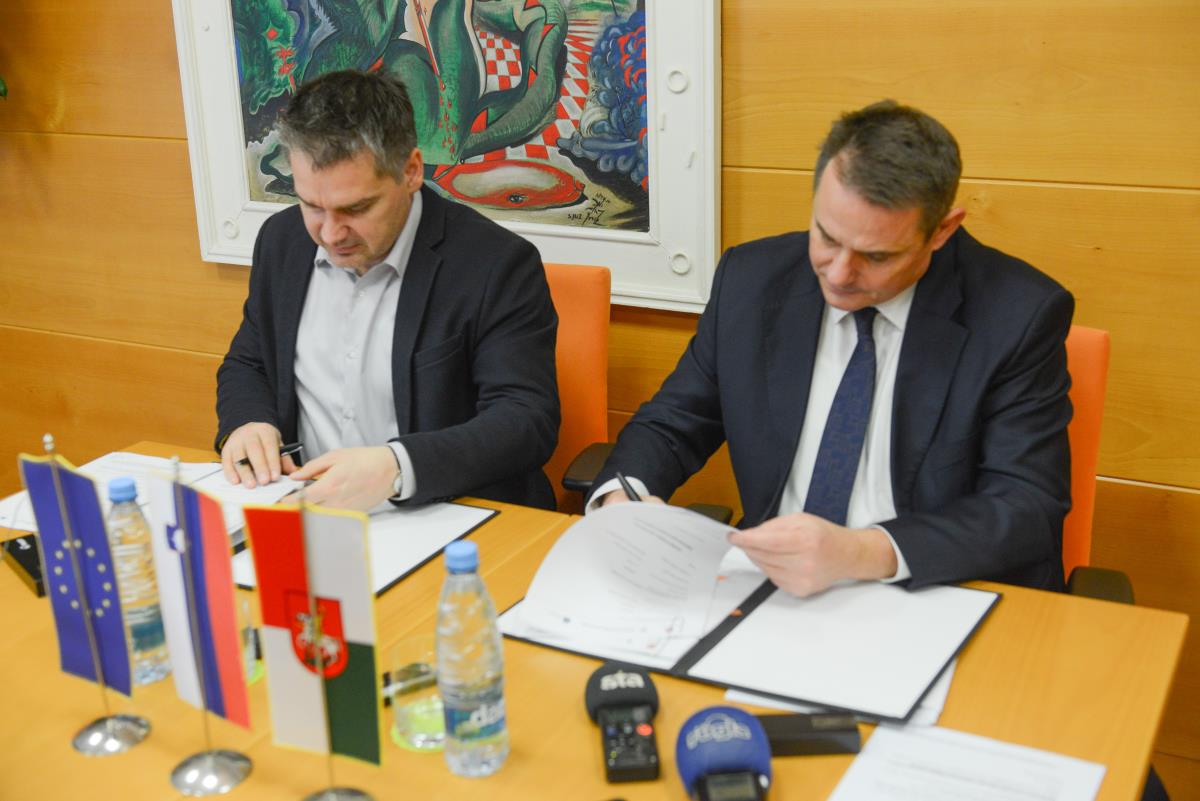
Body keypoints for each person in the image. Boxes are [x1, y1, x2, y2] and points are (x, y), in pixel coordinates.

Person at [590, 99, 1074, 596]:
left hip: (938, 591)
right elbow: (673, 423)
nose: (839, 274)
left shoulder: (1017, 315)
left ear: (942, 231)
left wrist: (864, 552)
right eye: (826, 236)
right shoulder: (751, 281)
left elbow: (1026, 504)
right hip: (775, 591)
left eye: (876, 257)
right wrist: (624, 498)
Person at [216, 69, 560, 512]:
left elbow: (525, 420)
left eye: (356, 208)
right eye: (312, 205)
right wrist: (247, 423)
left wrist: (398, 466)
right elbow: (250, 361)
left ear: (411, 171)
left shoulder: (496, 265)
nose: (330, 233)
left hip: (443, 512)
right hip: (308, 509)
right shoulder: (281, 242)